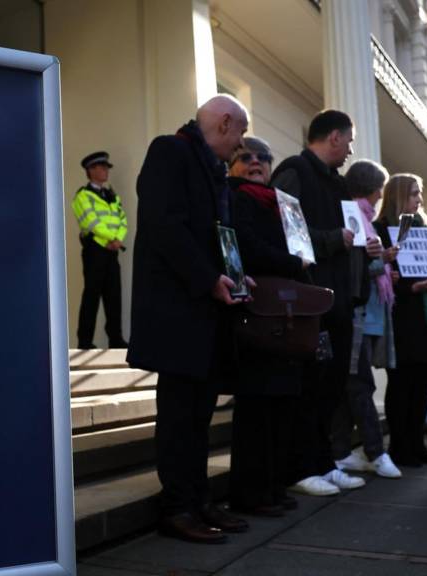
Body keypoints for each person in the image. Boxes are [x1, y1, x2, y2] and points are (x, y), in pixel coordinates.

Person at [128, 94, 251, 543]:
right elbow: (164, 225)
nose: (239, 147)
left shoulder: (211, 168)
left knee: (199, 415)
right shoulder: (171, 151)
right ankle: (177, 506)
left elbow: (217, 235)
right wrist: (208, 279)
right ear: (223, 122)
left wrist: (238, 277)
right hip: (178, 310)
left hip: (203, 309)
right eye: (239, 134)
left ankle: (198, 500)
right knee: (180, 416)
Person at [271, 110, 376, 495]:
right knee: (309, 385)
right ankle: (300, 468)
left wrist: (367, 248)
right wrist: (335, 239)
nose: (350, 149)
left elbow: (349, 236)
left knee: (329, 386)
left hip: (337, 302)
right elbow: (285, 230)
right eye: (349, 140)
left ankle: (322, 462)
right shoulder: (295, 172)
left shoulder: (336, 183)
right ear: (334, 137)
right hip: (308, 302)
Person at [226, 136, 311, 516]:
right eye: (245, 157)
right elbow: (246, 247)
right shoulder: (233, 197)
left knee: (283, 406)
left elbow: (302, 251)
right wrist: (294, 264)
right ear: (232, 165)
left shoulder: (281, 204)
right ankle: (251, 493)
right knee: (257, 408)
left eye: (263, 157)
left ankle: (274, 486)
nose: (255, 162)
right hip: (256, 314)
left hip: (287, 315)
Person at [331, 160, 402, 479]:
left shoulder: (363, 217)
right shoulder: (356, 216)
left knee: (352, 384)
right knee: (361, 383)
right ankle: (375, 451)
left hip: (367, 313)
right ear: (375, 191)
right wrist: (382, 262)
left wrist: (383, 265)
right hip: (358, 312)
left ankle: (341, 451)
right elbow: (357, 267)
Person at [374, 174, 427, 468]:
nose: (419, 199)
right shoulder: (381, 230)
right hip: (402, 320)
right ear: (398, 196)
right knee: (401, 385)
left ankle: (417, 446)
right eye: (414, 194)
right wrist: (411, 287)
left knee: (422, 387)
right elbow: (381, 276)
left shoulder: (424, 229)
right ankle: (399, 447)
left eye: (419, 194)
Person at [72, 151, 129, 349]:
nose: (106, 171)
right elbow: (90, 222)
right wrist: (110, 238)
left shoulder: (112, 196)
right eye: (102, 167)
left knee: (114, 296)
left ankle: (116, 338)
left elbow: (123, 220)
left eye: (106, 167)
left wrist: (118, 239)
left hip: (112, 250)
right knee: (92, 295)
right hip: (95, 250)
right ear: (91, 170)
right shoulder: (83, 196)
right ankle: (85, 341)